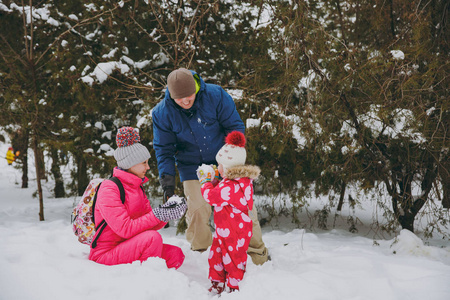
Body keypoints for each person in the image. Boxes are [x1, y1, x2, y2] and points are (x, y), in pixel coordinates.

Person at [152, 68, 269, 265]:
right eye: (180, 99)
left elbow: (235, 127)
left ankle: (257, 254)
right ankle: (201, 254)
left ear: (196, 88)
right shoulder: (162, 113)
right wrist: (168, 185)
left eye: (189, 96)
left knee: (244, 207)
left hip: (224, 160)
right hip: (191, 166)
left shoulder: (215, 96)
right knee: (197, 209)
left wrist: (229, 160)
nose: (186, 102)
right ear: (172, 96)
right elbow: (164, 149)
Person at [89, 127, 187, 268]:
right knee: (152, 239)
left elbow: (148, 223)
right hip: (105, 253)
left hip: (127, 245)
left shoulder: (137, 187)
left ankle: (162, 281)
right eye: (144, 163)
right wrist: (158, 214)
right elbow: (125, 229)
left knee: (175, 255)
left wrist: (167, 213)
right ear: (130, 163)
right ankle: (145, 281)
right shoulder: (109, 188)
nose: (148, 167)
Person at [197, 131, 260, 294]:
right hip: (225, 229)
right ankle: (217, 281)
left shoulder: (231, 186)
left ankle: (234, 286)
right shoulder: (237, 181)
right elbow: (223, 192)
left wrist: (205, 181)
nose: (218, 168)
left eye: (220, 166)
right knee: (216, 254)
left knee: (234, 258)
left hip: (235, 231)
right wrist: (216, 180)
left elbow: (212, 197)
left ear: (229, 168)